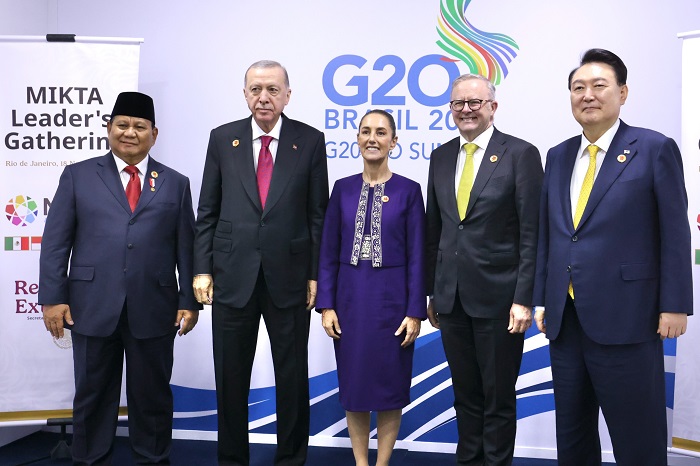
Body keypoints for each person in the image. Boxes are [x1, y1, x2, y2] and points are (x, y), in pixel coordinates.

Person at [533, 48, 692, 466]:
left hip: (629, 318)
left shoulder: (654, 148)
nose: (587, 94)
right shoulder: (558, 155)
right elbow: (551, 234)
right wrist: (542, 297)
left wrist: (675, 305)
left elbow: (675, 232)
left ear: (622, 93)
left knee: (637, 436)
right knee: (572, 435)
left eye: (599, 86)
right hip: (566, 320)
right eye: (577, 87)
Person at [39, 91, 200, 465]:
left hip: (155, 306)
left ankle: (154, 458)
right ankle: (89, 458)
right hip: (91, 304)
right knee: (93, 393)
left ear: (154, 133)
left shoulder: (176, 183)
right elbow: (56, 241)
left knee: (153, 395)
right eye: (122, 125)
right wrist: (52, 297)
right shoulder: (78, 175)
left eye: (139, 126)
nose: (130, 132)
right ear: (109, 128)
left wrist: (188, 301)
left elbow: (186, 249)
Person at [193, 60, 329, 466]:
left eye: (272, 89)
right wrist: (202, 268)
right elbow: (208, 211)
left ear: (288, 94)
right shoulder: (223, 139)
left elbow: (316, 214)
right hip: (232, 277)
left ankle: (291, 459)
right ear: (245, 93)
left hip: (289, 277)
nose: (263, 97)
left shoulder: (309, 140)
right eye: (255, 89)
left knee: (291, 377)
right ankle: (232, 459)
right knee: (230, 378)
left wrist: (314, 273)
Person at [425, 74, 543, 465]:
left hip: (500, 300)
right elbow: (435, 228)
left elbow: (531, 233)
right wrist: (431, 291)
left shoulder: (520, 154)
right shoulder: (440, 156)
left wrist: (524, 298)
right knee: (465, 396)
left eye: (475, 102)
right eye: (459, 103)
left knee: (497, 398)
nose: (466, 110)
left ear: (493, 107)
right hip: (451, 298)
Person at [317, 110, 425, 466]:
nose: (372, 138)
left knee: (390, 388)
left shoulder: (409, 191)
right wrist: (327, 305)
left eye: (381, 133)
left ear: (394, 142)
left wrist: (414, 311)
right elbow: (328, 251)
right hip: (350, 300)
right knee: (355, 386)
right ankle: (361, 463)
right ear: (357, 138)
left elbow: (417, 256)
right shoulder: (342, 188)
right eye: (366, 131)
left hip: (393, 301)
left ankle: (382, 463)